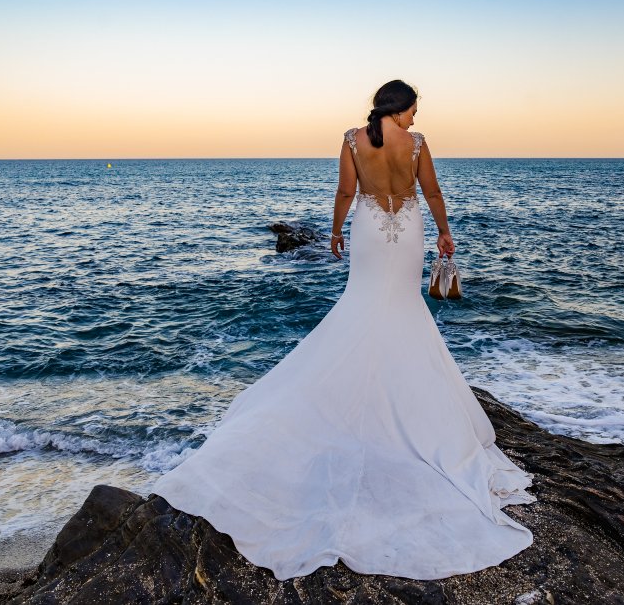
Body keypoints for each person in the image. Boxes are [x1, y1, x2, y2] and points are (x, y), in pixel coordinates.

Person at [150, 79, 536, 581]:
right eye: (415, 108)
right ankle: (399, 395)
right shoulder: (417, 145)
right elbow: (432, 191)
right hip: (409, 228)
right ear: (400, 109)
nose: (418, 117)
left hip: (370, 231)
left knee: (366, 302)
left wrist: (334, 230)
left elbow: (346, 192)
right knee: (402, 303)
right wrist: (445, 231)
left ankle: (360, 390)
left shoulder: (353, 139)